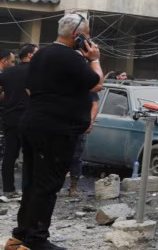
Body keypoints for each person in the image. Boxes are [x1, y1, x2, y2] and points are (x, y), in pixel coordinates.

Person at [7, 14, 103, 250]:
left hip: (33, 124)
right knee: (48, 185)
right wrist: (94, 59)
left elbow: (29, 88)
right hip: (55, 131)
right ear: (76, 36)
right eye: (87, 35)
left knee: (32, 182)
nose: (89, 41)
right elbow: (96, 83)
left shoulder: (41, 54)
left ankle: (20, 236)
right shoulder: (71, 57)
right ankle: (36, 240)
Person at [0, 44, 35, 201]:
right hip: (30, 119)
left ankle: (8, 190)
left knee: (10, 155)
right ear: (30, 55)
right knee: (30, 156)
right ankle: (28, 191)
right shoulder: (36, 71)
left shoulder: (7, 72)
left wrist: (7, 100)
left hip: (11, 118)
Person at [66, 92, 99, 198]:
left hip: (80, 125)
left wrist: (90, 121)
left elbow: (95, 104)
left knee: (76, 157)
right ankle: (53, 186)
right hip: (62, 124)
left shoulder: (87, 86)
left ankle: (73, 187)